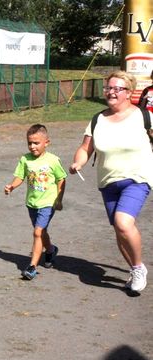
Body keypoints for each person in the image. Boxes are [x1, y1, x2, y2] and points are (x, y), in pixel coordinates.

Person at [70, 70, 153, 293]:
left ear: (129, 92)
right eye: (108, 88)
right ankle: (136, 266)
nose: (111, 92)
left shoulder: (144, 116)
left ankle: (138, 269)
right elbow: (85, 148)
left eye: (118, 89)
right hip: (108, 182)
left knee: (123, 222)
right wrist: (78, 162)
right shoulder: (98, 119)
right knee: (120, 230)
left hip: (138, 178)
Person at [4, 124, 67, 280]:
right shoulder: (25, 159)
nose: (32, 146)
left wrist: (59, 199)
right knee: (41, 232)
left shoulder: (53, 160)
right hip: (32, 203)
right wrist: (12, 186)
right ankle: (51, 250)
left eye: (36, 143)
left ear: (47, 142)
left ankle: (32, 267)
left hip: (48, 203)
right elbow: (20, 176)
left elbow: (61, 179)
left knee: (37, 232)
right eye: (29, 143)